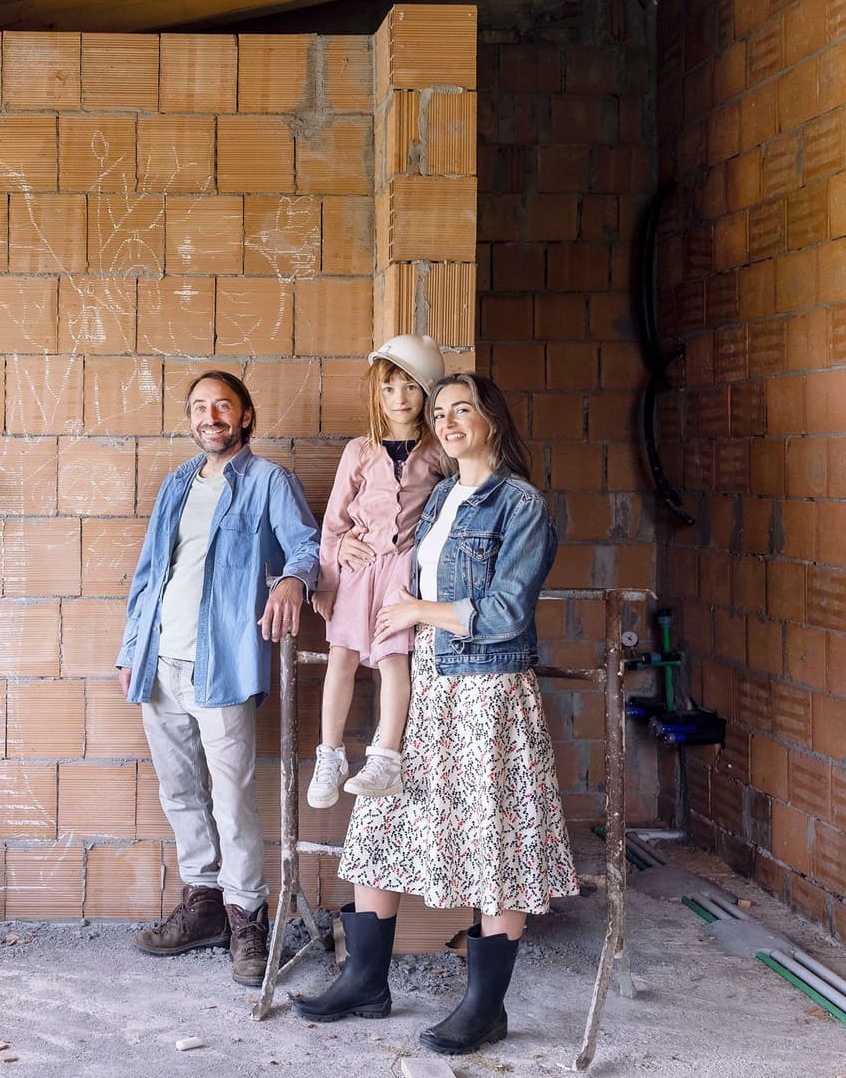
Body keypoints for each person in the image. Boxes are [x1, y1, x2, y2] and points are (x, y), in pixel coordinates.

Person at [292, 372, 576, 1057]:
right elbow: (384, 551)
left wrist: (421, 612)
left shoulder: (521, 504)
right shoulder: (444, 493)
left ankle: (485, 1006)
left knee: (495, 846)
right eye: (441, 411)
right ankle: (364, 979)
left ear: (492, 422)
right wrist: (344, 552)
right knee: (382, 824)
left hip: (487, 694)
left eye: (463, 411)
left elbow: (508, 612)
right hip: (429, 684)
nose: (448, 422)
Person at [115, 370, 321, 986]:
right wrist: (133, 646)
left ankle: (248, 917)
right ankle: (203, 906)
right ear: (190, 419)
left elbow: (306, 546)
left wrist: (290, 578)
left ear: (246, 416)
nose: (212, 416)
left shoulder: (268, 482)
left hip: (222, 664)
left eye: (223, 406)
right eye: (200, 407)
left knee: (232, 797)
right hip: (160, 661)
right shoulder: (176, 485)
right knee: (179, 793)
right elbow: (150, 572)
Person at [308, 335, 448, 809]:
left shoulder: (437, 452)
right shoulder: (360, 449)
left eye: (410, 388)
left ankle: (386, 757)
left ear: (426, 394)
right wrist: (327, 578)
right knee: (341, 657)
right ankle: (330, 755)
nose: (400, 399)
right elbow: (334, 520)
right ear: (378, 394)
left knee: (393, 660)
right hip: (358, 567)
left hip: (404, 571)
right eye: (390, 388)